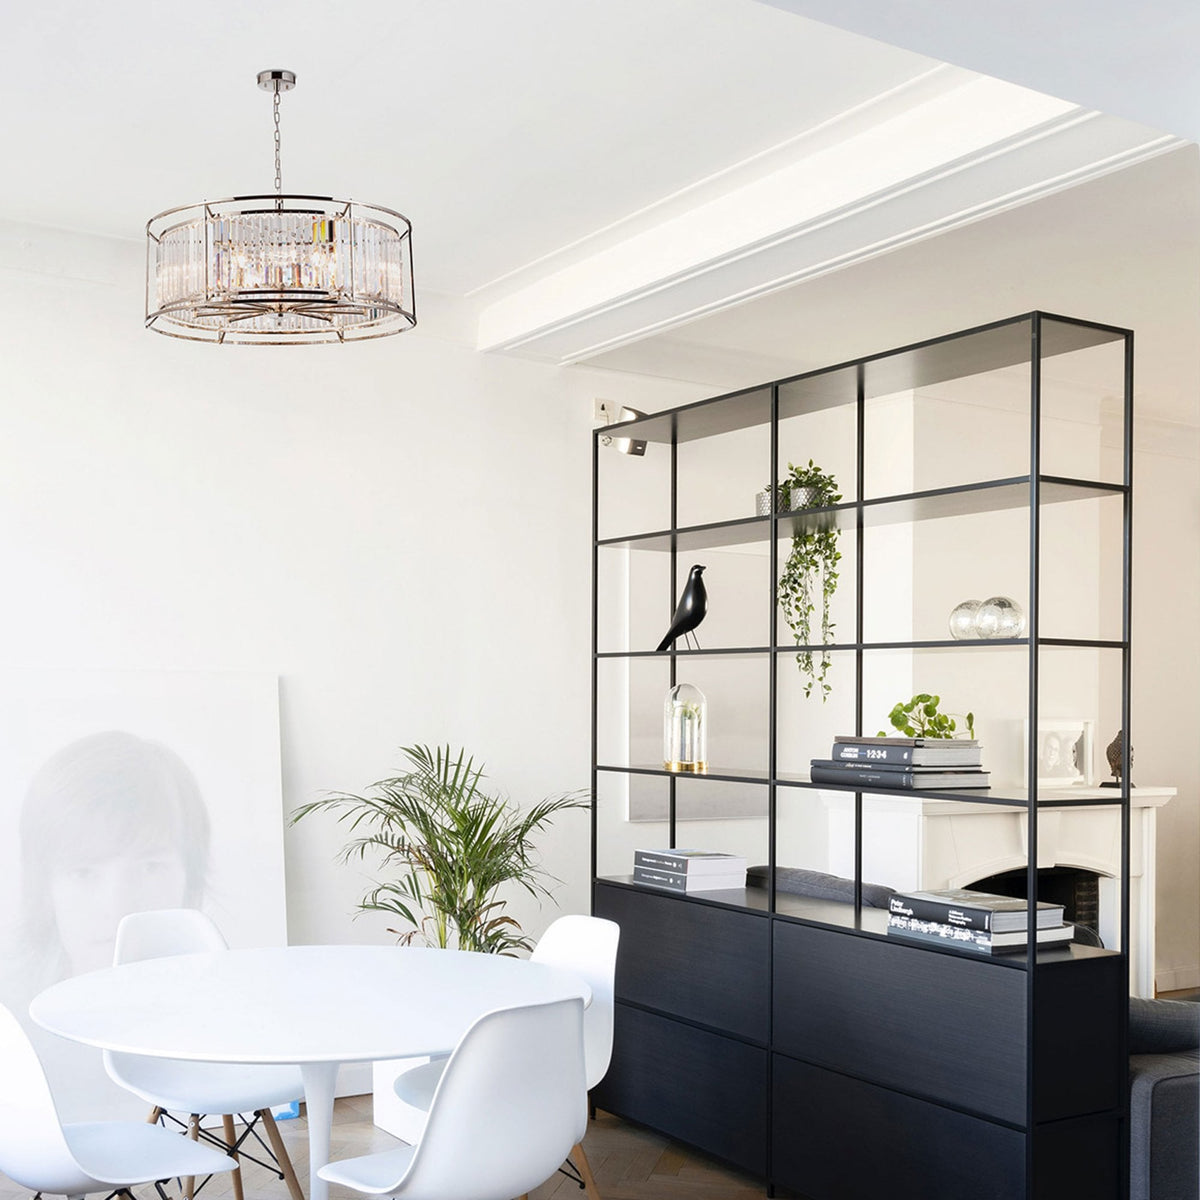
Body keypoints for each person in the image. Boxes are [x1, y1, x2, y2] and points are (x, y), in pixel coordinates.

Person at [7, 729, 211, 990]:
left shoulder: (234, 1014)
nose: (117, 906)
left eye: (149, 868)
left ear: (190, 880)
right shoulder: (12, 1022)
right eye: (84, 873)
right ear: (44, 890)